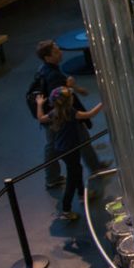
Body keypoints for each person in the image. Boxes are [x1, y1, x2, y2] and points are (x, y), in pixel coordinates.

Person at [32, 40, 108, 186]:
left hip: (55, 118)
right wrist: (73, 89)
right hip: (61, 119)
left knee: (57, 145)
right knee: (63, 145)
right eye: (55, 52)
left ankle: (93, 167)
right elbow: (61, 97)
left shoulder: (45, 69)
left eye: (58, 49)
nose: (60, 53)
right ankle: (93, 169)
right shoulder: (53, 76)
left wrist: (75, 88)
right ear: (47, 57)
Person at [37, 87, 103, 220]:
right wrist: (103, 103)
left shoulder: (54, 113)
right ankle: (66, 210)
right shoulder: (71, 112)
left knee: (76, 170)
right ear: (69, 101)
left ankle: (82, 194)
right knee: (72, 179)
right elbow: (89, 114)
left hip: (62, 150)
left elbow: (40, 118)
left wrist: (39, 104)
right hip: (71, 149)